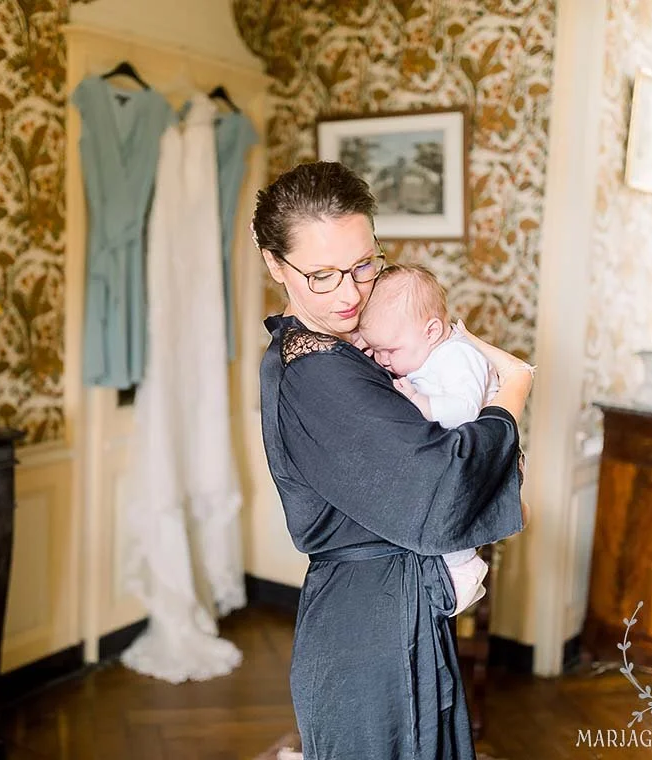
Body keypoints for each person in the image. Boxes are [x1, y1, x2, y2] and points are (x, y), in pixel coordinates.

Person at [254, 160, 535, 760]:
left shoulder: (348, 349)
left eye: (364, 265)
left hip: (394, 610)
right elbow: (441, 489)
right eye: (322, 275)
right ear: (275, 265)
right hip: (368, 630)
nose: (351, 293)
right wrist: (510, 396)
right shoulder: (316, 373)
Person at [355, 263, 505, 619]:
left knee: (447, 509)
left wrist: (419, 402)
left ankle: (463, 567)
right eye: (375, 350)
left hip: (481, 457)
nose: (383, 359)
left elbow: (465, 411)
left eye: (390, 350)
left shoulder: (457, 356)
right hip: (455, 455)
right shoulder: (420, 354)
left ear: (432, 330)